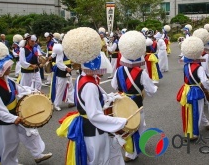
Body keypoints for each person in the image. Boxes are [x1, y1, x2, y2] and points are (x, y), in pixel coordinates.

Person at [57, 27, 128, 165]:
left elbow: (98, 98)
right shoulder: (89, 85)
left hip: (91, 128)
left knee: (106, 157)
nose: (102, 73)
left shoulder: (82, 78)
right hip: (93, 131)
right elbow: (94, 115)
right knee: (98, 160)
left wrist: (112, 98)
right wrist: (121, 122)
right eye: (101, 70)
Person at [0, 40, 52, 165]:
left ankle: (38, 154)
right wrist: (12, 118)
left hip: (17, 113)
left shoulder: (7, 79)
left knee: (31, 133)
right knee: (10, 144)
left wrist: (35, 92)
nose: (9, 67)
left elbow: (21, 89)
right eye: (6, 66)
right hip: (6, 120)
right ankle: (10, 163)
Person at [111, 30, 158, 162]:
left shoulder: (118, 70)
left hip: (123, 102)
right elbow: (151, 90)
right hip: (137, 103)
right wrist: (152, 89)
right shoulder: (141, 73)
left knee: (126, 126)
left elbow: (114, 85)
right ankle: (133, 152)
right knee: (138, 124)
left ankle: (129, 150)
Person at [177, 37, 209, 140]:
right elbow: (204, 81)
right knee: (197, 109)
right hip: (196, 90)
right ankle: (195, 133)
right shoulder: (199, 67)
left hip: (186, 89)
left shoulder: (185, 65)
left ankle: (206, 123)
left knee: (193, 109)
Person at [50, 43, 75, 111]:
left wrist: (72, 64)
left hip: (68, 70)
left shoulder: (68, 50)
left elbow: (69, 60)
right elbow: (59, 62)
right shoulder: (61, 51)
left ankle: (71, 101)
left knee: (70, 86)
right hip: (62, 71)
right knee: (60, 88)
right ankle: (56, 104)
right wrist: (66, 68)